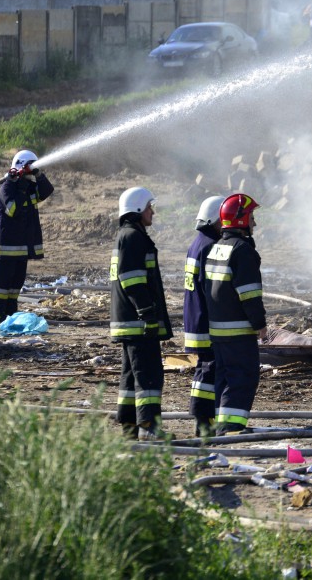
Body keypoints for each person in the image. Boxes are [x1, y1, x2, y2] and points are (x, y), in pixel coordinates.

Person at [111, 187, 173, 440]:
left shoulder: (129, 235)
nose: (153, 212)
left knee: (131, 375)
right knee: (148, 374)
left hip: (130, 321)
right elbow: (133, 280)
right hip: (138, 322)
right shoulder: (133, 237)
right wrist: (147, 312)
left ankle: (129, 427)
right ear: (137, 209)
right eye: (149, 207)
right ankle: (149, 428)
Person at [204, 193, 267, 436]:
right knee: (242, 376)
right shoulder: (242, 251)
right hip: (239, 329)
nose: (254, 223)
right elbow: (249, 294)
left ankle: (223, 424)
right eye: (251, 217)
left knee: (225, 376)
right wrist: (260, 324)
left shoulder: (215, 248)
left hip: (218, 329)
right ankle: (231, 427)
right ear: (241, 219)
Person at [0, 150, 54, 325]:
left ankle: (10, 313)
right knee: (2, 283)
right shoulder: (6, 187)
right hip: (8, 246)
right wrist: (20, 185)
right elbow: (12, 209)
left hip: (23, 246)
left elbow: (47, 190)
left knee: (16, 282)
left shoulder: (30, 187)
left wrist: (38, 174)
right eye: (30, 166)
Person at [183, 195, 226, 438]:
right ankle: (204, 420)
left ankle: (203, 418)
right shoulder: (211, 246)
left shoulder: (197, 242)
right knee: (210, 368)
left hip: (195, 318)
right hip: (206, 321)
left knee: (205, 367)